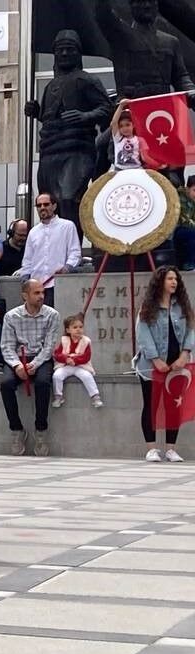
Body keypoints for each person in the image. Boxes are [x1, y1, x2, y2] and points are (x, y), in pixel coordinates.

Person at [24, 30, 112, 235]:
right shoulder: (50, 85)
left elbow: (106, 108)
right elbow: (50, 118)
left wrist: (85, 116)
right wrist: (37, 113)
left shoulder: (86, 80)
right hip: (50, 152)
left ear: (78, 54)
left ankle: (74, 252)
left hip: (77, 150)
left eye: (69, 49)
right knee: (50, 201)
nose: (64, 54)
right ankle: (56, 250)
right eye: (59, 50)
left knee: (68, 197)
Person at [135, 266, 195, 462]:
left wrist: (185, 354)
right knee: (151, 405)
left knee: (174, 405)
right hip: (152, 365)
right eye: (170, 278)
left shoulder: (182, 305)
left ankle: (171, 448)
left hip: (177, 364)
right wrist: (156, 359)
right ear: (160, 281)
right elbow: (143, 334)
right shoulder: (148, 306)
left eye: (176, 279)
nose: (174, 282)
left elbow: (190, 330)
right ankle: (152, 448)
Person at [0, 280, 62, 457]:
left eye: (42, 292)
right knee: (6, 384)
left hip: (42, 358)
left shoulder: (52, 315)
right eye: (36, 293)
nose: (41, 296)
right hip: (18, 358)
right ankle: (17, 430)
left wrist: (35, 364)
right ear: (24, 295)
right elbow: (6, 345)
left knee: (43, 383)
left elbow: (49, 346)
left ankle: (41, 430)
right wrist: (17, 365)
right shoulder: (11, 316)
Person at [17, 193, 81, 309]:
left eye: (46, 204)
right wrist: (25, 282)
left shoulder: (67, 226)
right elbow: (27, 260)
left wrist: (67, 268)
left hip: (58, 284)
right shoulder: (33, 232)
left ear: (54, 206)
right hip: (36, 286)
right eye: (39, 205)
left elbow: (75, 253)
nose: (42, 207)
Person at [53, 313, 102, 409]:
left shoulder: (86, 341)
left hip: (80, 366)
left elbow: (86, 357)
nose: (78, 329)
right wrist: (66, 359)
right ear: (68, 330)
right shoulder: (64, 340)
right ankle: (58, 396)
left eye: (81, 327)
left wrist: (75, 360)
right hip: (66, 366)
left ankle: (95, 396)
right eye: (75, 327)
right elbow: (57, 354)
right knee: (57, 376)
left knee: (87, 376)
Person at [110, 99, 147, 171]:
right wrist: (121, 106)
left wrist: (157, 165)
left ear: (133, 125)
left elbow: (145, 157)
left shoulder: (140, 140)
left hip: (136, 169)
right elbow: (114, 122)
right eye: (121, 126)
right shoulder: (118, 138)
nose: (125, 128)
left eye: (127, 125)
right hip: (119, 170)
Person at [175, 177, 195, 272]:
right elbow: (185, 221)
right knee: (191, 234)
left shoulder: (193, 201)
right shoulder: (180, 199)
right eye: (194, 190)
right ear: (187, 189)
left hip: (189, 229)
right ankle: (189, 263)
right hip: (177, 230)